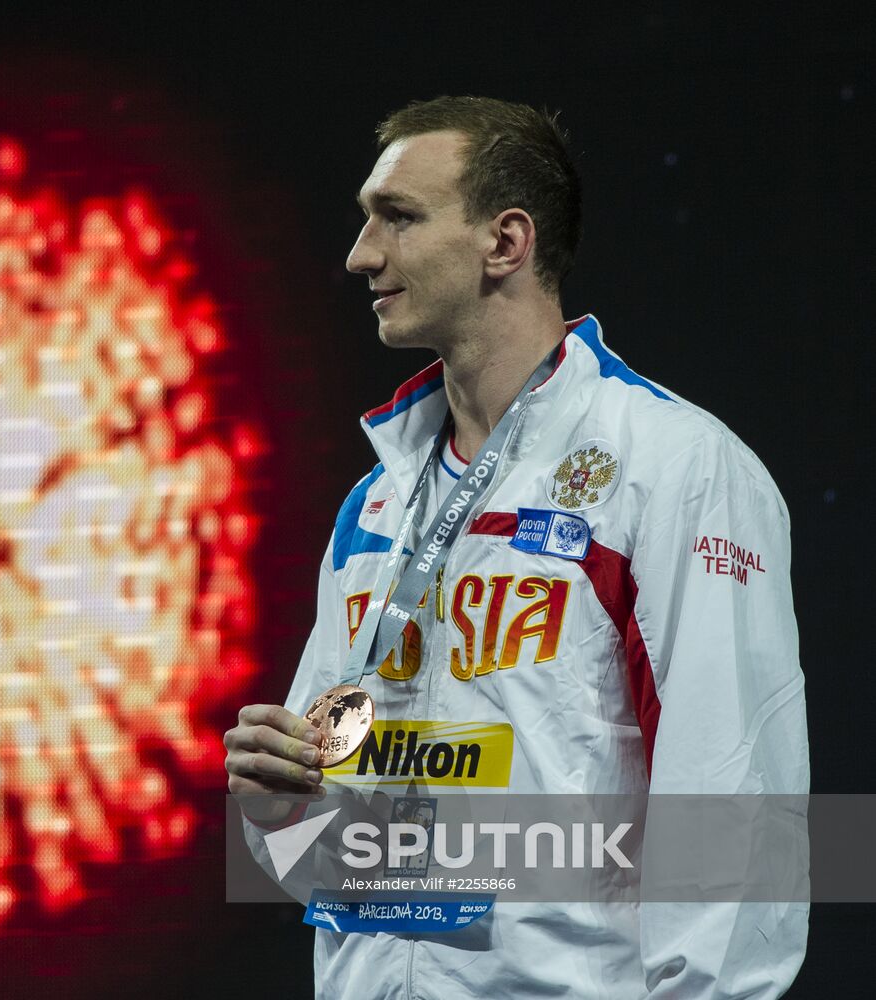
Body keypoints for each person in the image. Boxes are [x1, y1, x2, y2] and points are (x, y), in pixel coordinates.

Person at [222, 95, 809, 998]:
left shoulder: (671, 467)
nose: (359, 255)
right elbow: (335, 862)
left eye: (399, 218)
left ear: (505, 242)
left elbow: (731, 798)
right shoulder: (375, 506)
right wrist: (281, 810)